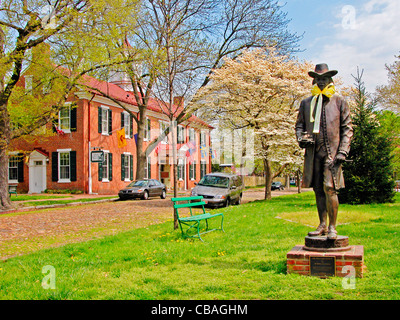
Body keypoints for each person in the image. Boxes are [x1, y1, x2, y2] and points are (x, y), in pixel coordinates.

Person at [295, 63, 353, 240]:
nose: (321, 81)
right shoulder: (306, 103)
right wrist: (301, 138)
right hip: (314, 154)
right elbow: (299, 126)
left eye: (324, 78)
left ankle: (332, 227)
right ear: (314, 80)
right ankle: (322, 225)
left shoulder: (339, 101)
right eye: (318, 78)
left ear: (330, 80)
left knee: (330, 188)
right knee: (318, 190)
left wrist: (343, 151)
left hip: (332, 154)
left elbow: (347, 128)